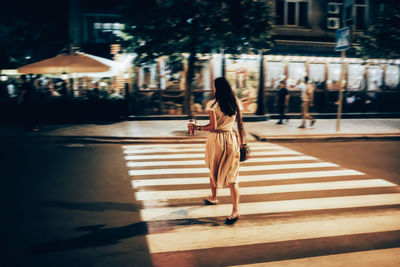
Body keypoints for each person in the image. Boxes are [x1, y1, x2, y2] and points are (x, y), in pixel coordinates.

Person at [188, 77, 245, 224]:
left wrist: (197, 127)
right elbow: (240, 125)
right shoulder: (235, 102)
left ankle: (214, 197)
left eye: (214, 86)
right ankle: (235, 210)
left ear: (217, 89)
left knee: (213, 169)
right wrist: (242, 143)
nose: (213, 89)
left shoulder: (212, 104)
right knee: (233, 176)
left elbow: (212, 127)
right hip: (232, 140)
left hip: (216, 141)